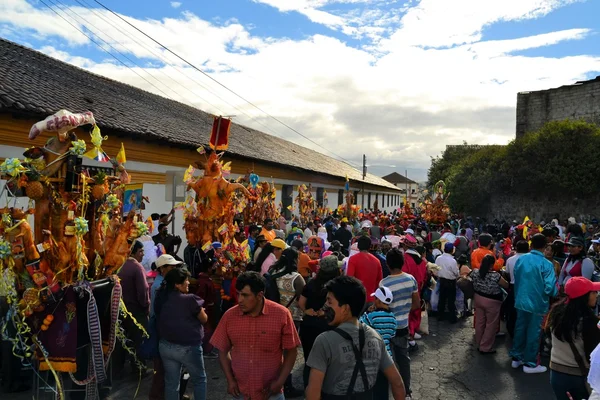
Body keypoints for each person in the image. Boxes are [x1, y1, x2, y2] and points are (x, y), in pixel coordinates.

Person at [305, 276, 406, 400]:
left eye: (329, 302)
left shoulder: (324, 341)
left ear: (345, 309)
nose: (325, 306)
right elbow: (397, 383)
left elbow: (313, 393)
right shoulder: (376, 337)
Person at [210, 272, 300, 400]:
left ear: (259, 295)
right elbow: (222, 351)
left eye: (245, 295)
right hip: (241, 392)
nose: (240, 299)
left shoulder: (281, 315)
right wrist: (230, 380)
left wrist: (280, 381)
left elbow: (291, 351)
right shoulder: (229, 316)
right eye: (238, 294)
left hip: (271, 393)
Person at [155, 268, 208, 400]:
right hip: (188, 347)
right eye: (185, 281)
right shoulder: (190, 300)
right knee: (199, 380)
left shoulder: (161, 298)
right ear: (177, 285)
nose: (188, 283)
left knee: (172, 383)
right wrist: (201, 311)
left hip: (166, 346)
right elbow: (204, 319)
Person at [510, 233, 558, 373]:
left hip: (520, 300)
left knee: (520, 328)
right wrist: (556, 294)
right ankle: (530, 363)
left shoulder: (521, 259)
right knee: (534, 332)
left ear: (531, 244)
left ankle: (516, 358)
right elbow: (550, 288)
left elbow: (516, 278)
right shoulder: (546, 264)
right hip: (538, 303)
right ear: (544, 247)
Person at [547, 277, 600, 400]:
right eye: (593, 292)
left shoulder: (556, 312)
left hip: (556, 373)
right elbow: (592, 355)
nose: (596, 295)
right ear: (584, 296)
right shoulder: (589, 321)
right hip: (579, 377)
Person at [380, 248, 420, 399]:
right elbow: (416, 304)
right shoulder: (411, 279)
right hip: (403, 327)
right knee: (404, 360)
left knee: (387, 361)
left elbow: (382, 307)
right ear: (403, 263)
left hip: (387, 328)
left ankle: (388, 392)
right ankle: (406, 392)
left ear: (388, 264)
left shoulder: (384, 283)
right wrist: (403, 310)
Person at [298, 255, 340, 387]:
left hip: (309, 326)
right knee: (328, 362)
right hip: (328, 326)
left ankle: (308, 389)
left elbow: (301, 302)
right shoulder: (337, 286)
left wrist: (307, 311)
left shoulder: (311, 283)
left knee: (309, 361)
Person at [148, 254, 183, 400]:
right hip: (162, 329)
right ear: (162, 269)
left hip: (166, 328)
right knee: (161, 367)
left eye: (175, 267)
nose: (174, 269)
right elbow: (158, 312)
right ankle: (157, 396)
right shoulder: (159, 286)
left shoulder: (166, 283)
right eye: (171, 267)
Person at [115, 240, 149, 376]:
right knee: (138, 340)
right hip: (136, 311)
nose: (142, 254)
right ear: (133, 252)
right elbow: (143, 291)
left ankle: (117, 369)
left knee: (121, 340)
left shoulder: (119, 265)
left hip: (120, 309)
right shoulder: (136, 267)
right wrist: (145, 307)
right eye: (140, 251)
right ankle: (139, 368)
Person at [359, 286, 398, 400]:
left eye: (375, 298)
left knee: (370, 386)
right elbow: (392, 334)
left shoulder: (370, 316)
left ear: (379, 301)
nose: (374, 300)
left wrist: (367, 311)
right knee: (383, 386)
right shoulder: (392, 317)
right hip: (387, 357)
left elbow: (360, 326)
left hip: (371, 356)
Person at [471, 254, 509, 354]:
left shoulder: (475, 272)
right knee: (491, 325)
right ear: (491, 265)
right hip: (492, 302)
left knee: (479, 322)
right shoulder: (495, 275)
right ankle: (485, 347)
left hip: (478, 299)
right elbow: (506, 285)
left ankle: (479, 342)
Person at [346, 235, 383, 304]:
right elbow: (379, 282)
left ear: (358, 246)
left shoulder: (353, 259)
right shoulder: (377, 261)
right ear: (370, 247)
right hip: (372, 299)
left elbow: (349, 279)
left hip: (357, 299)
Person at [504, 240, 530, 338]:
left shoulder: (510, 259)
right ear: (528, 249)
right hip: (526, 287)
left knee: (512, 310)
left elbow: (506, 272)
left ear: (516, 248)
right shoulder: (529, 260)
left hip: (513, 286)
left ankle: (512, 330)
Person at [436, 242, 459, 323]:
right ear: (452, 250)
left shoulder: (439, 258)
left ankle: (440, 316)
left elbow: (436, 269)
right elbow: (456, 273)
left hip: (442, 281)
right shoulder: (452, 261)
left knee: (442, 299)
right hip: (450, 282)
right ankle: (452, 318)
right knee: (451, 301)